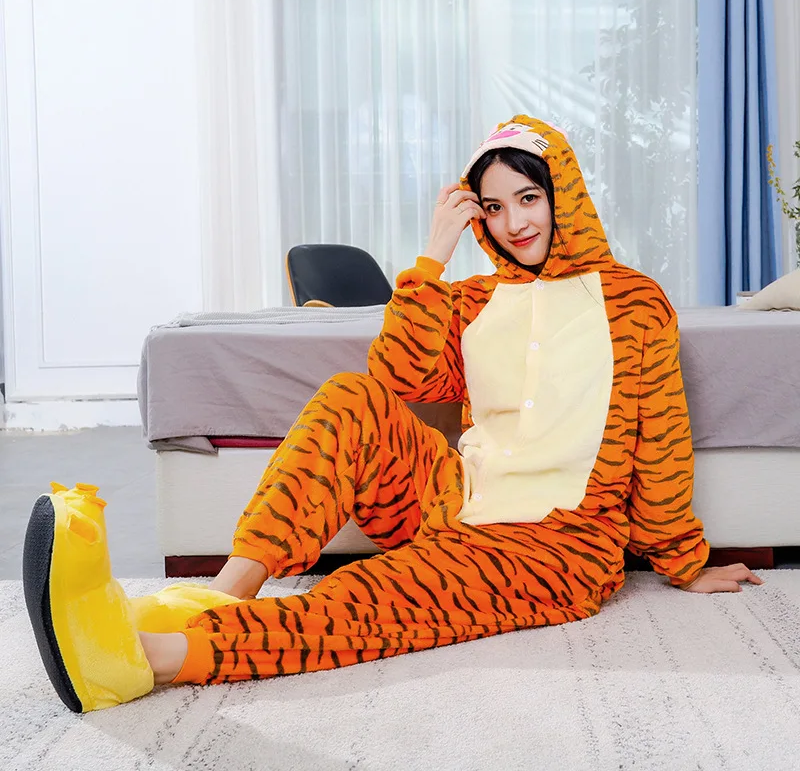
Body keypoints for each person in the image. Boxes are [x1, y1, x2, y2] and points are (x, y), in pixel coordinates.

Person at [23, 115, 764, 714]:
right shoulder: (470, 300)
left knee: (369, 597)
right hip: (452, 498)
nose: (514, 222)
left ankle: (146, 657)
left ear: (561, 194)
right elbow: (398, 378)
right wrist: (434, 257)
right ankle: (217, 596)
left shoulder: (634, 302)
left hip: (556, 546)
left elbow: (661, 444)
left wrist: (685, 563)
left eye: (528, 198)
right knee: (350, 396)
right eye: (494, 207)